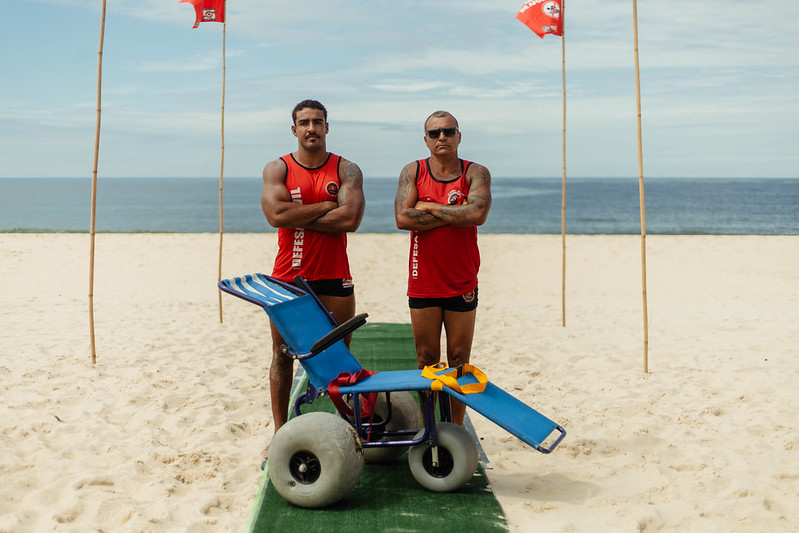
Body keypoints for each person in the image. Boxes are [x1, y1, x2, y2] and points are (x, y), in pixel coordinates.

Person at [260, 99, 365, 452]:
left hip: (335, 277)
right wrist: (326, 207)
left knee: (339, 360)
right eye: (304, 122)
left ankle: (344, 431)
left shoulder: (347, 170)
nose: (311, 128)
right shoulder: (279, 169)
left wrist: (298, 213)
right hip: (289, 277)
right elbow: (276, 215)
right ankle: (280, 435)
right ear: (294, 129)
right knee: (282, 355)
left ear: (326, 127)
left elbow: (350, 220)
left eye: (317, 122)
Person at [394, 110, 492, 426]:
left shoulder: (476, 173)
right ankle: (430, 427)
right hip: (423, 281)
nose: (442, 138)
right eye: (434, 133)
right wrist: (454, 211)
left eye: (448, 131)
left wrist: (427, 207)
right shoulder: (413, 171)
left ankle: (455, 429)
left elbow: (477, 213)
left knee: (460, 362)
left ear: (459, 136)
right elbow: (402, 218)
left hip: (462, 281)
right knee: (427, 360)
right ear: (426, 140)